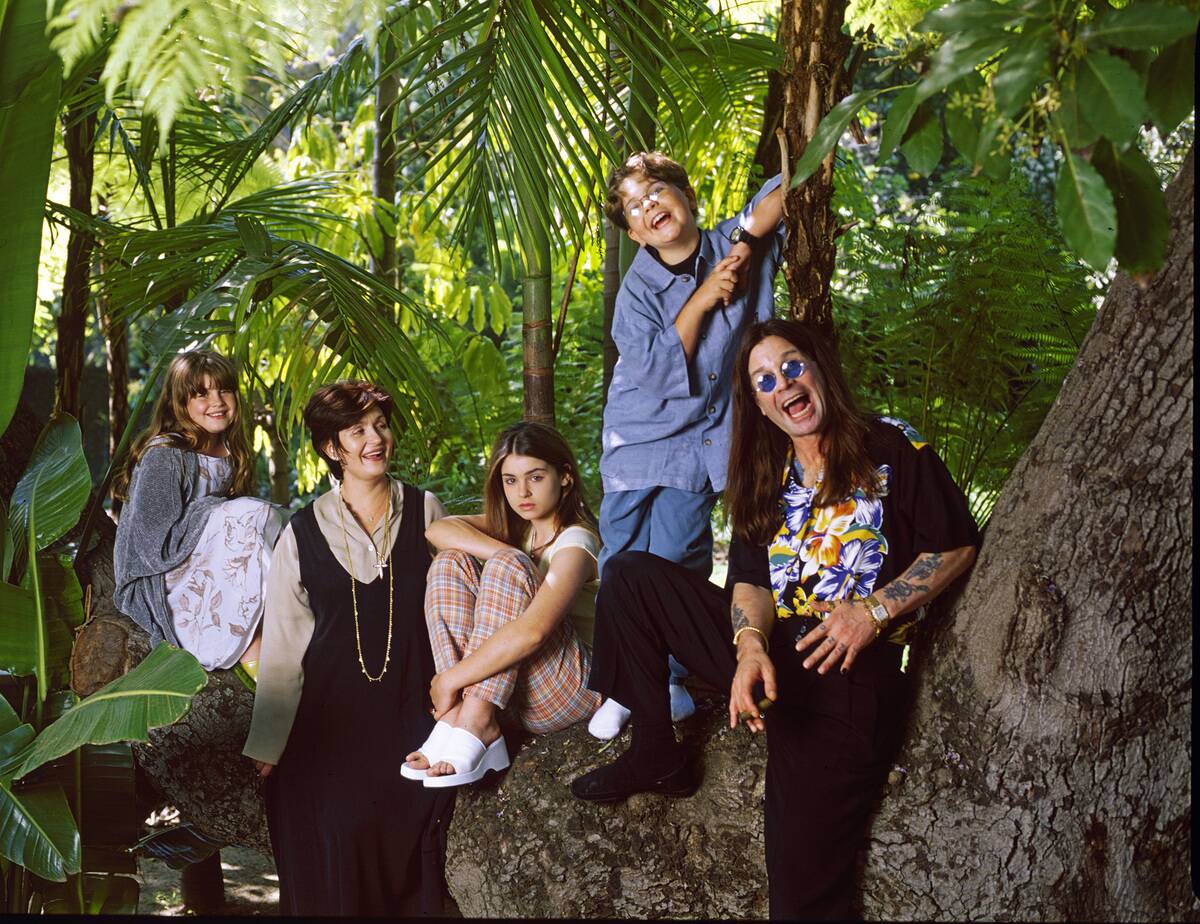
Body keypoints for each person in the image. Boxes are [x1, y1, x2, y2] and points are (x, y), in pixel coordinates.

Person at [572, 319, 980, 919]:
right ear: (759, 405)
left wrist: (873, 611)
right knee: (631, 574)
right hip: (775, 654)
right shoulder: (768, 476)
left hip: (849, 673)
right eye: (764, 380)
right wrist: (749, 646)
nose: (782, 384)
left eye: (791, 366)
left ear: (817, 369)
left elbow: (955, 545)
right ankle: (658, 750)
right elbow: (749, 581)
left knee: (801, 895)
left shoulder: (891, 447)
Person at [589, 151, 786, 739]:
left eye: (656, 192)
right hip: (638, 440)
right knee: (621, 558)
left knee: (678, 555)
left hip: (701, 441)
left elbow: (782, 191)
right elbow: (652, 371)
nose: (650, 207)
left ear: (686, 195)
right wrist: (702, 298)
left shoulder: (729, 240)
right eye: (634, 206)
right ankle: (623, 686)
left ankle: (670, 679)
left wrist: (747, 238)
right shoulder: (637, 291)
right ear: (630, 232)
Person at [242, 381, 454, 915]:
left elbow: (458, 608)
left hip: (412, 717)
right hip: (327, 728)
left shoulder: (427, 511)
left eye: (381, 425)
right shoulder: (301, 532)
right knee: (332, 846)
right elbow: (286, 646)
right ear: (331, 448)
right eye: (357, 430)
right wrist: (268, 744)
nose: (374, 438)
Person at [402, 421, 602, 787]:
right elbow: (437, 530)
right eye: (510, 480)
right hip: (514, 694)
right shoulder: (522, 529)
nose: (522, 491)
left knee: (507, 565)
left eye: (536, 477)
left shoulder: (577, 541)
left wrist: (448, 679)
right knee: (451, 561)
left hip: (574, 688)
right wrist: (508, 552)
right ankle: (464, 713)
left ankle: (472, 717)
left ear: (566, 477)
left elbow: (534, 632)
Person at [113, 350, 282, 683]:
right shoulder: (166, 455)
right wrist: (217, 512)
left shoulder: (232, 453)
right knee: (253, 512)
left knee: (275, 523)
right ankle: (255, 663)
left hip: (213, 566)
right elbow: (151, 546)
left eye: (224, 390)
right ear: (180, 403)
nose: (216, 401)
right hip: (165, 577)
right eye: (201, 393)